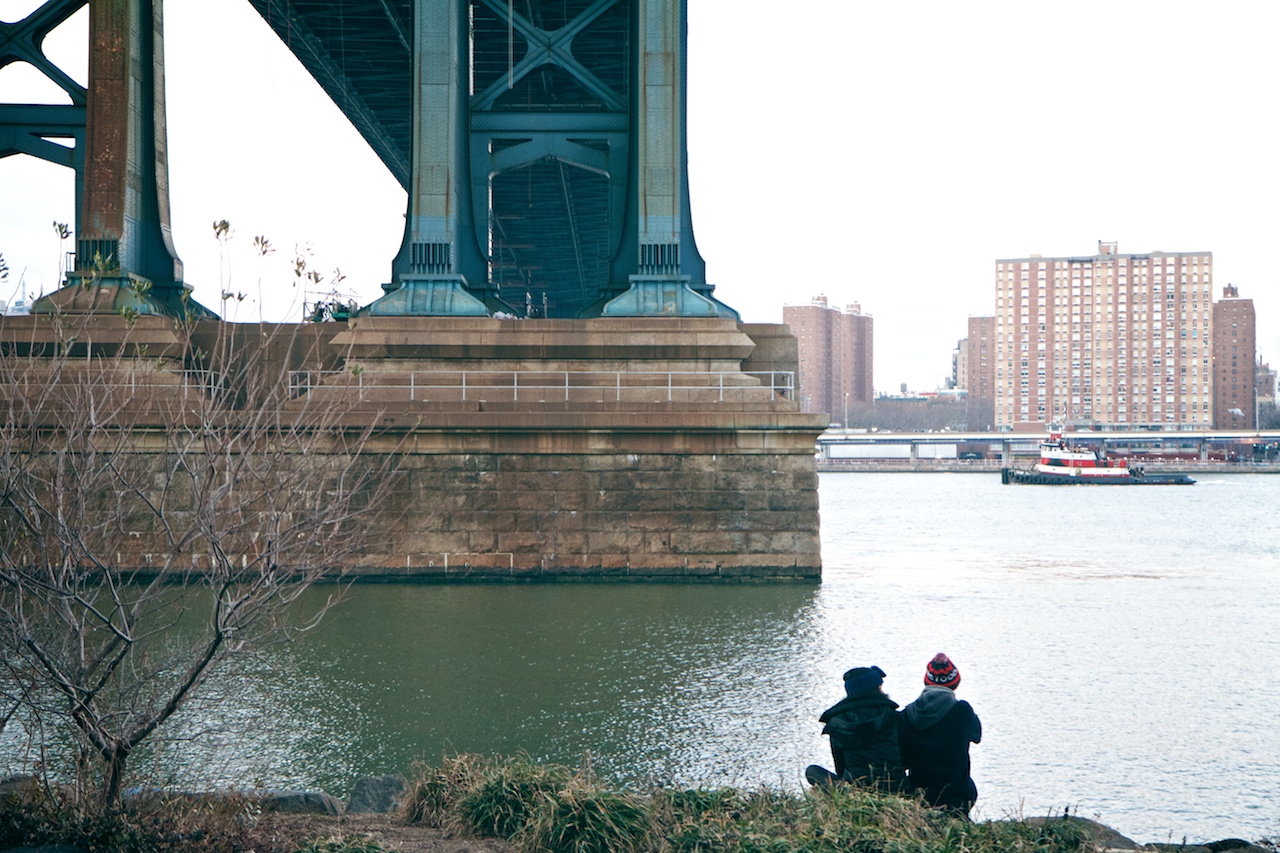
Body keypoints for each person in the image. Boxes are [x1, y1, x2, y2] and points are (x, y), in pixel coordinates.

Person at [899, 653, 982, 817]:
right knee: (969, 789)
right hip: (956, 794)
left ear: (926, 681)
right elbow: (977, 736)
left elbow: (903, 757)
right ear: (955, 683)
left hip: (919, 792)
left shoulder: (908, 713)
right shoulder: (962, 711)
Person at [804, 665, 905, 792]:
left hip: (857, 790)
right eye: (880, 688)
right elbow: (905, 755)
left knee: (812, 771)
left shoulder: (836, 723)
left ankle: (848, 794)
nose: (883, 692)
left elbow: (840, 767)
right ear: (874, 690)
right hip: (897, 788)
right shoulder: (892, 715)